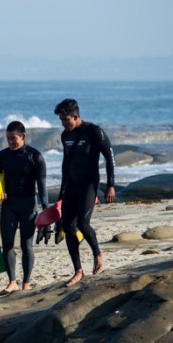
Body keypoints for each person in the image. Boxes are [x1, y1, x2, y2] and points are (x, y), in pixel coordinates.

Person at [54, 98, 116, 286]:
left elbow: (110, 158)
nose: (63, 123)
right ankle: (78, 270)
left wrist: (110, 185)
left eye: (66, 119)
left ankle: (97, 253)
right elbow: (66, 164)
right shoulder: (65, 135)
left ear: (75, 116)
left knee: (83, 223)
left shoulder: (94, 132)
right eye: (61, 120)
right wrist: (61, 191)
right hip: (71, 185)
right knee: (68, 226)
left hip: (89, 185)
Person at [0, 121, 48, 293]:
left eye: (13, 138)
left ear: (23, 136)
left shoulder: (34, 156)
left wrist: (46, 210)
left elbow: (42, 185)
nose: (10, 141)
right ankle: (12, 281)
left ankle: (26, 282)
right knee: (7, 244)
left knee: (26, 245)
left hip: (28, 205)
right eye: (7, 138)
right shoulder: (2, 156)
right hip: (9, 205)